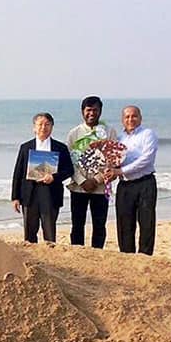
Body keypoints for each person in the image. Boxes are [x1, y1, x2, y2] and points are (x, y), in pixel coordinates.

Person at [10, 113, 74, 243]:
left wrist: (54, 177)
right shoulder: (25, 147)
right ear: (34, 127)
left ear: (52, 127)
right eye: (40, 124)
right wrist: (15, 197)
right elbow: (18, 173)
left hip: (50, 192)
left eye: (47, 124)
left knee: (49, 231)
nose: (43, 127)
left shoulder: (60, 147)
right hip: (30, 193)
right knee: (29, 232)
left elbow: (69, 170)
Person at [106, 106, 158, 255]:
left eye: (134, 116)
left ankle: (145, 257)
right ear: (122, 120)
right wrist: (110, 171)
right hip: (124, 185)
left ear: (140, 118)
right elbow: (114, 161)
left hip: (145, 183)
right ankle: (127, 256)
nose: (130, 119)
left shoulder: (148, 134)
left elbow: (146, 160)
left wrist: (120, 171)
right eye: (127, 117)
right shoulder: (118, 139)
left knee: (146, 223)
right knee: (124, 224)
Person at [66, 96, 118, 248]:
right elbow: (69, 161)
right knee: (77, 224)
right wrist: (83, 181)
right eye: (88, 110)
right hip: (78, 187)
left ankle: (98, 252)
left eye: (95, 110)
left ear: (100, 111)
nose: (92, 113)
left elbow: (113, 160)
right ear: (83, 111)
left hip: (100, 188)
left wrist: (96, 180)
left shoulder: (110, 132)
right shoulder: (74, 133)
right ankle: (77, 252)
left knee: (99, 224)